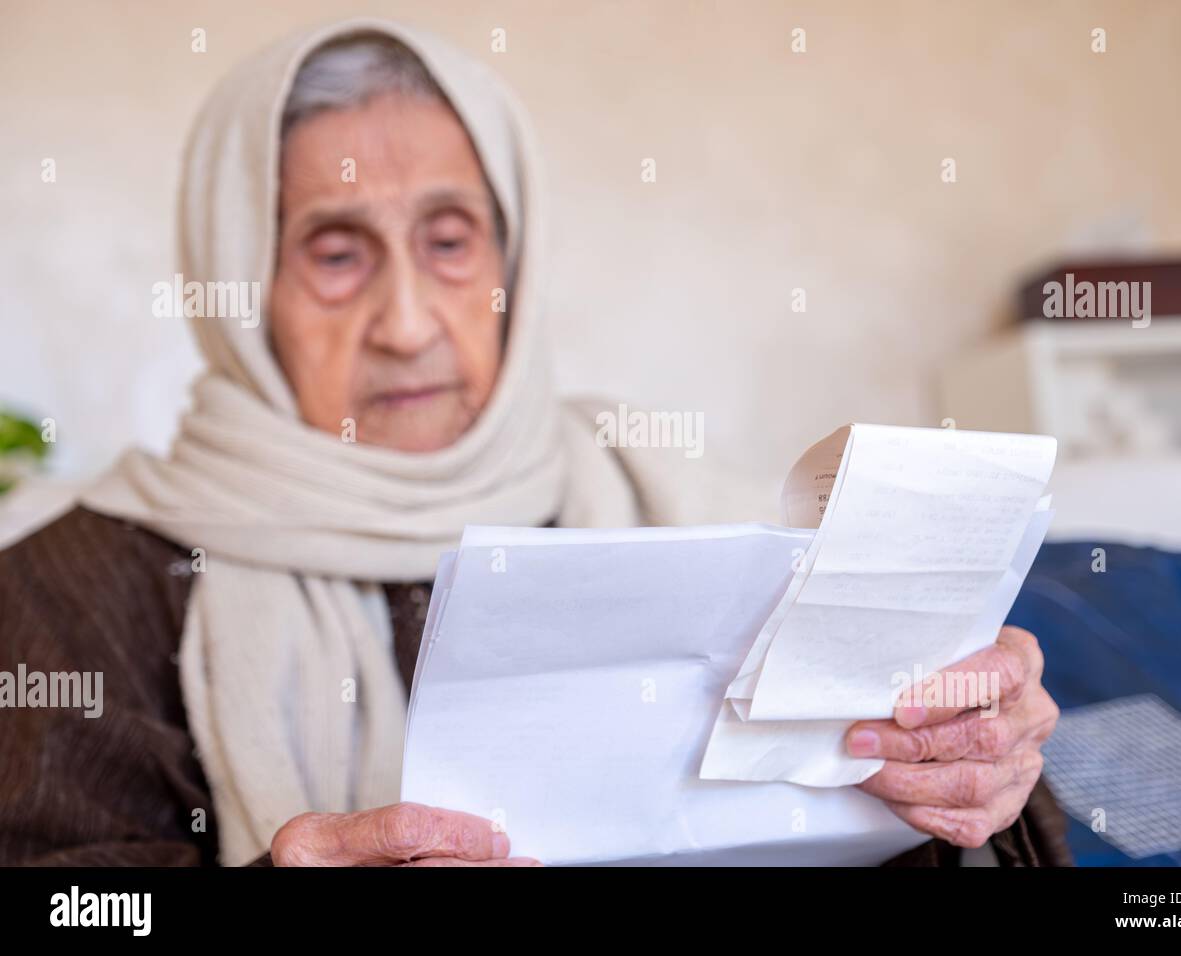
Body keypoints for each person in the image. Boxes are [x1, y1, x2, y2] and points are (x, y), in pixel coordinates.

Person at [0, 18, 1069, 867]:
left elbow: (949, 825)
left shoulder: (720, 522)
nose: (409, 320)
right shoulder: (64, 590)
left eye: (450, 240)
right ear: (240, 285)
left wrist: (967, 772)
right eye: (335, 251)